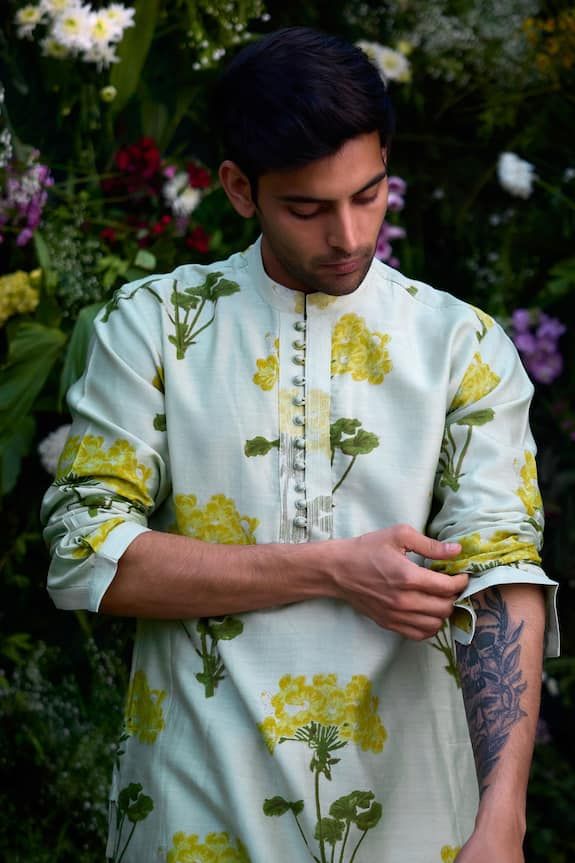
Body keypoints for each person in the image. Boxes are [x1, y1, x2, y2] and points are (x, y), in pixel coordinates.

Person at [41, 26, 559, 863]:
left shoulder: (460, 345)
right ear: (238, 189)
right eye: (307, 209)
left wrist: (502, 817)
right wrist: (331, 567)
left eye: (368, 194)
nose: (348, 236)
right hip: (190, 815)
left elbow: (500, 573)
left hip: (418, 825)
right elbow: (83, 553)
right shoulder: (153, 327)